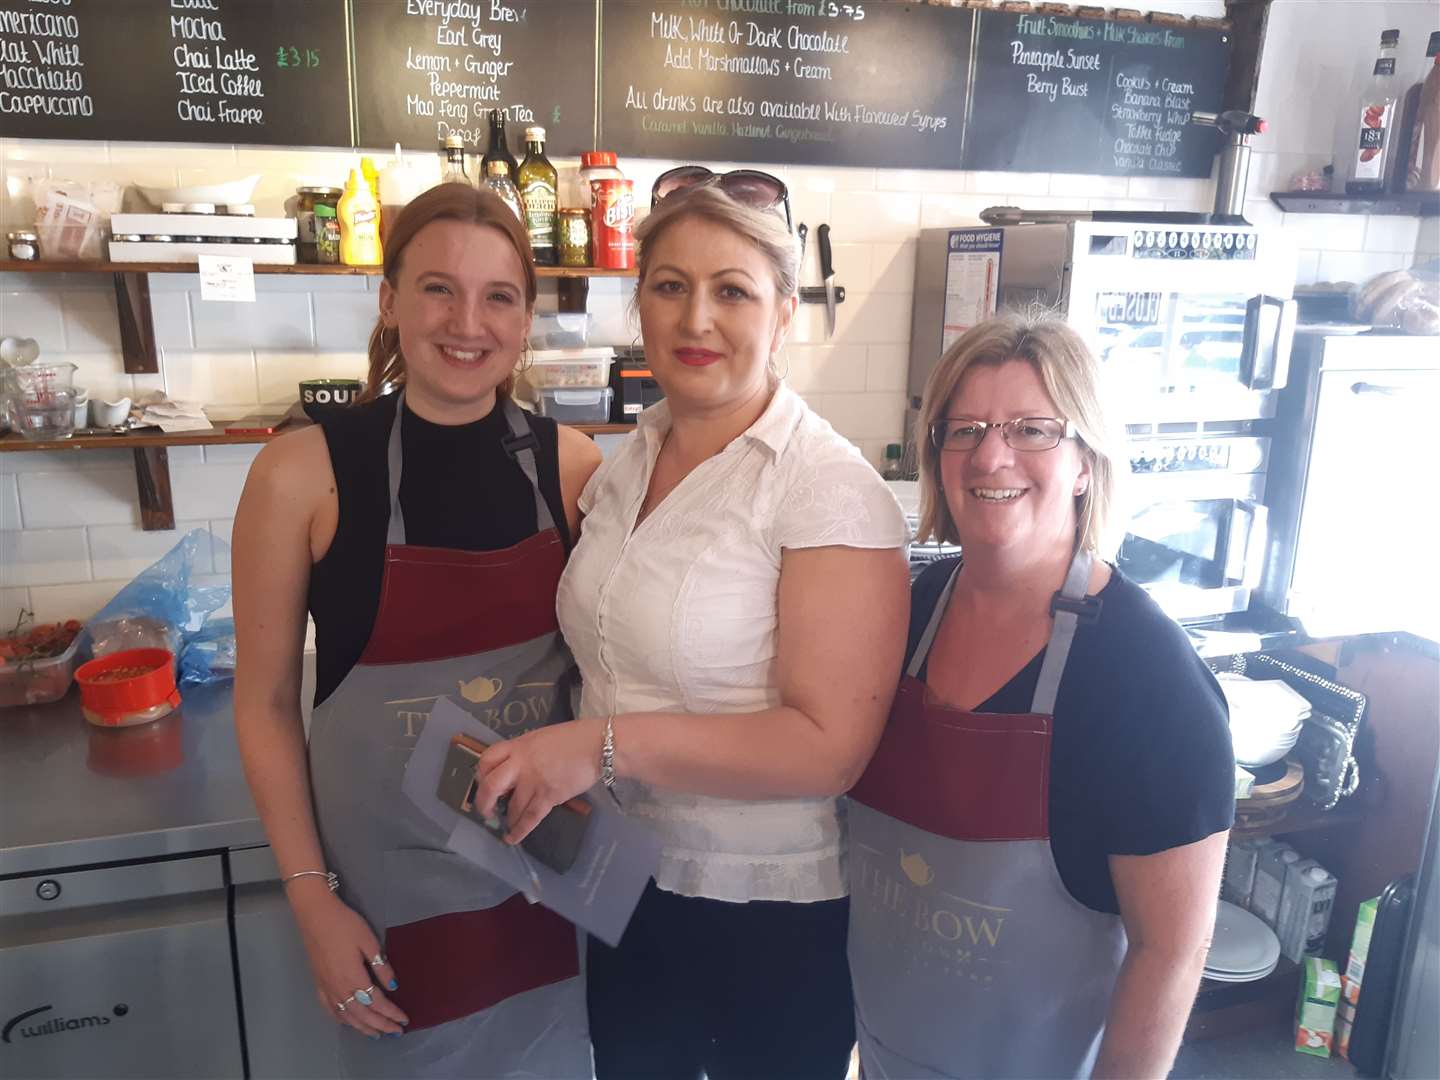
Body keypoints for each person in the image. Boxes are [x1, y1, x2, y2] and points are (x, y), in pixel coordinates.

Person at [471, 170, 912, 1079]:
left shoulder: (825, 488)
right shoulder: (625, 463)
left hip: (765, 917)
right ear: (640, 305)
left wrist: (596, 746)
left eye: (733, 292)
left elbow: (828, 750)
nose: (695, 319)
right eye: (670, 286)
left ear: (784, 313)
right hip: (623, 883)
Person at [231, 183, 601, 1078]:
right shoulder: (301, 473)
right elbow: (267, 703)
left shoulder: (574, 465)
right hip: (394, 902)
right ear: (390, 300)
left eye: (499, 296)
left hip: (552, 885)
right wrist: (314, 903)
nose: (466, 321)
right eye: (437, 288)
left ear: (524, 317)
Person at [847, 311, 1234, 1080]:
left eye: (1032, 429)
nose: (991, 455)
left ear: (1087, 460)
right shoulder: (904, 613)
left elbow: (1172, 948)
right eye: (965, 429)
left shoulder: (1146, 674)